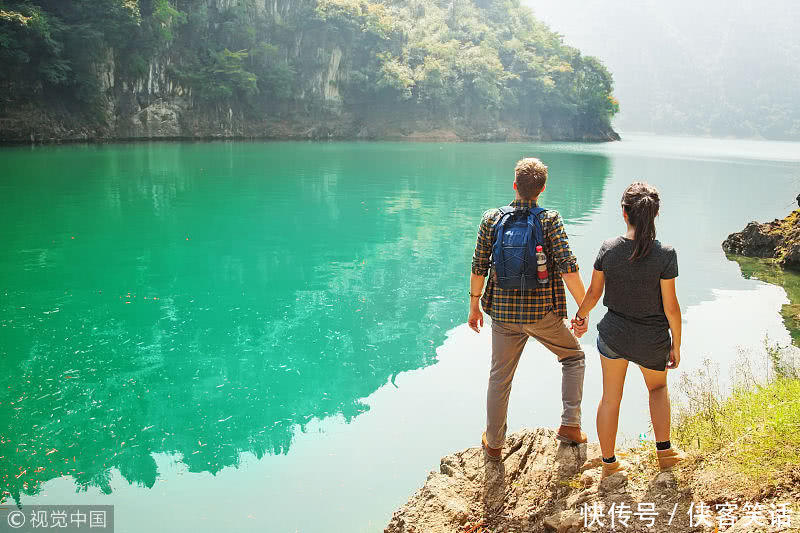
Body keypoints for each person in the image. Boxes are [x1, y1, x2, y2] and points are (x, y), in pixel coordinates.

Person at [469, 157, 589, 461]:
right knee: (573, 357)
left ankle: (494, 443)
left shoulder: (491, 219)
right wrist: (583, 310)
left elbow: (479, 265)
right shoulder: (550, 219)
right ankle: (570, 425)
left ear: (514, 185)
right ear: (542, 189)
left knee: (500, 376)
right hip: (542, 314)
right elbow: (568, 268)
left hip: (503, 314)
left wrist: (474, 306)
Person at [572, 181, 685, 478]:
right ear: (655, 214)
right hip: (652, 338)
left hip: (614, 336)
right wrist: (676, 343)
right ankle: (665, 454)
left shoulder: (609, 249)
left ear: (625, 213)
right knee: (658, 388)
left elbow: (594, 294)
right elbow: (671, 307)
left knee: (610, 398)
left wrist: (580, 317)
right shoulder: (666, 254)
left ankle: (609, 465)